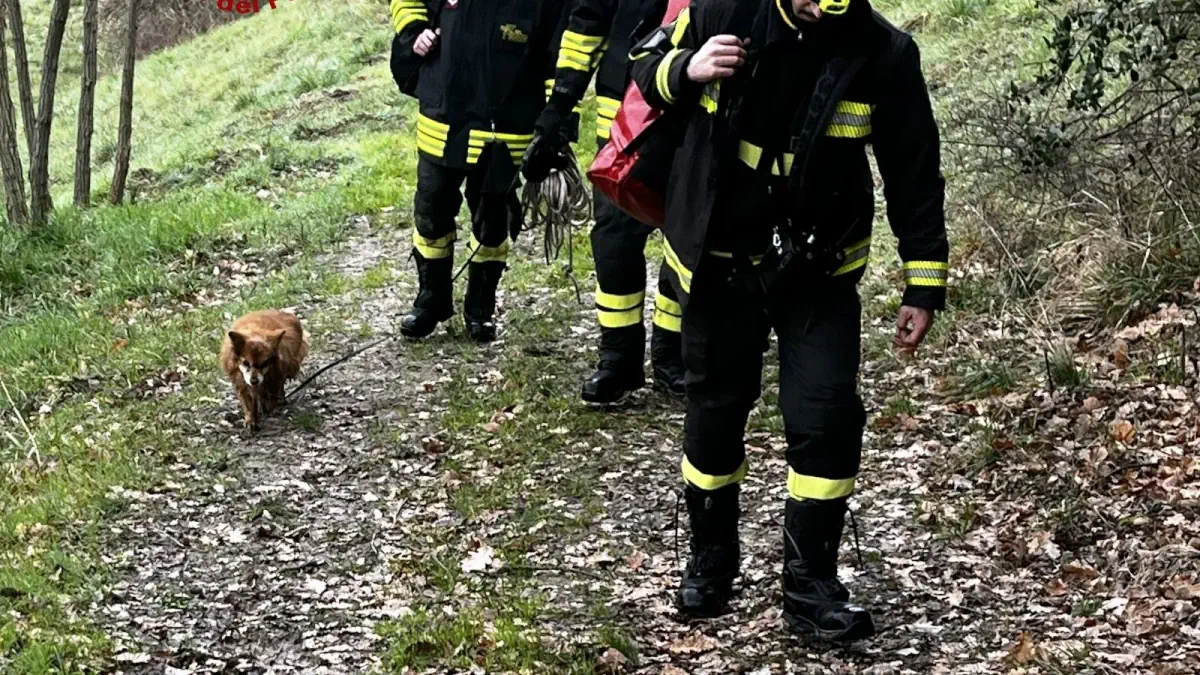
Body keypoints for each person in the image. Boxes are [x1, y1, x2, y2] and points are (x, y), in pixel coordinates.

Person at [629, 0, 949, 641]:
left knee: (826, 417)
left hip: (820, 272)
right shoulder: (724, 9)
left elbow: (914, 172)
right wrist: (686, 67)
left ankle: (811, 584)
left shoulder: (883, 52)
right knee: (716, 409)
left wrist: (924, 281)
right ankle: (711, 557)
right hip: (719, 260)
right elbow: (639, 63)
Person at [523, 0, 687, 403]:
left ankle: (674, 353)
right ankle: (618, 356)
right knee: (614, 239)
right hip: (624, 116)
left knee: (687, 239)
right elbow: (585, 27)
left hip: (698, 111)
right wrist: (559, 106)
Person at [389, 0, 568, 343]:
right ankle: (431, 301)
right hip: (443, 119)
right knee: (430, 213)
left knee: (492, 222)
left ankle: (480, 310)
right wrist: (414, 33)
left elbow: (558, 55)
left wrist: (554, 122)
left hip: (506, 127)